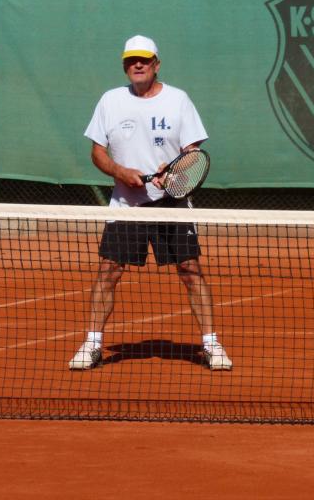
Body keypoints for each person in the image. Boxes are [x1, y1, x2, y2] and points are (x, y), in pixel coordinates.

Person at [68, 35, 233, 372]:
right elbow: (97, 152)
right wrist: (119, 171)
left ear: (156, 64)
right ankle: (93, 343)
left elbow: (193, 153)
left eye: (144, 59)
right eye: (131, 60)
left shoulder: (178, 100)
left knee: (191, 271)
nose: (138, 65)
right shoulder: (110, 101)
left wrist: (172, 173)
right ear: (125, 66)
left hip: (171, 203)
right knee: (109, 271)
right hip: (126, 205)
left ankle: (211, 345)